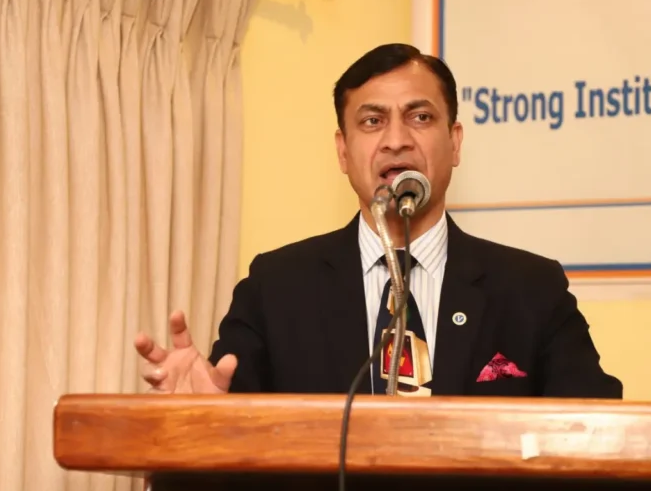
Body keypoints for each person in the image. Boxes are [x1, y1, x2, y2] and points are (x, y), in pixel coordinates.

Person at [135, 43, 622, 399]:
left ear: (455, 142)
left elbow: (594, 428)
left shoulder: (531, 290)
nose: (395, 140)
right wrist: (203, 408)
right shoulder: (276, 287)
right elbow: (233, 427)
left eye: (420, 117)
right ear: (343, 152)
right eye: (372, 121)